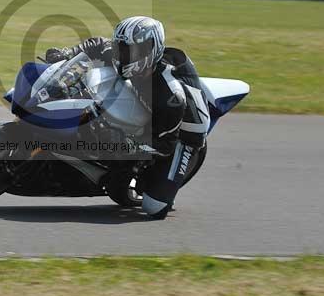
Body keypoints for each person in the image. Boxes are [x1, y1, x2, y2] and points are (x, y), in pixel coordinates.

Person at [45, 16, 209, 219]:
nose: (124, 55)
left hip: (181, 137)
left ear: (151, 50)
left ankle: (160, 187)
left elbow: (163, 145)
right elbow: (96, 45)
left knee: (154, 207)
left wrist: (126, 143)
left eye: (132, 51)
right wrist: (66, 54)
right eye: (121, 48)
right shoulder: (127, 58)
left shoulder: (169, 95)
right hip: (153, 113)